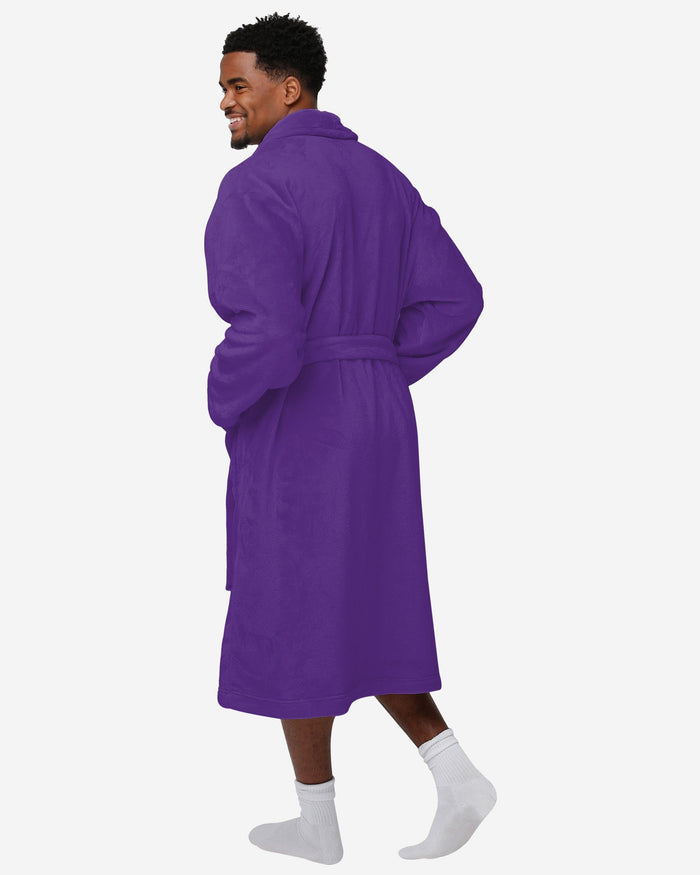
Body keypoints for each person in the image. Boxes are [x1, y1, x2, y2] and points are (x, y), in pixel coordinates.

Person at [204, 11, 497, 864]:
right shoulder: (382, 177)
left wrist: (221, 397)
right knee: (367, 599)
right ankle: (422, 786)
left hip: (304, 414)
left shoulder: (257, 185)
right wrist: (375, 364)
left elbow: (268, 331)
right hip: (377, 413)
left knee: (292, 601)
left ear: (289, 87)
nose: (225, 101)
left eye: (238, 84)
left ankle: (325, 815)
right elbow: (458, 296)